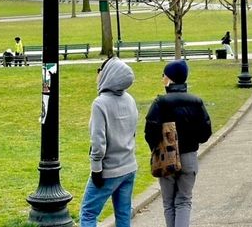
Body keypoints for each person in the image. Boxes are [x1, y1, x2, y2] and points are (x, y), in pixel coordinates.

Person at [145, 60, 212, 227]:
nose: (162, 79)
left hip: (166, 156)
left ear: (170, 79)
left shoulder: (160, 103)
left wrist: (155, 147)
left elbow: (150, 132)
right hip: (189, 156)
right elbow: (205, 132)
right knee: (184, 200)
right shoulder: (196, 102)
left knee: (168, 202)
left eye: (164, 76)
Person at [79, 57, 138, 227]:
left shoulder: (100, 103)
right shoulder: (129, 100)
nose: (98, 74)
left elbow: (98, 142)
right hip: (129, 166)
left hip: (109, 170)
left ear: (108, 75)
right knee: (123, 213)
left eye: (100, 70)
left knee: (88, 212)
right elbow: (132, 132)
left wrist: (96, 169)